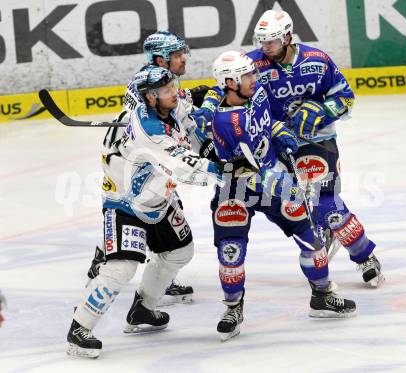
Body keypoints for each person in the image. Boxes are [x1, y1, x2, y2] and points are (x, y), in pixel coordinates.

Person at [66, 66, 251, 358]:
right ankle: (79, 330)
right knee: (121, 268)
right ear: (151, 98)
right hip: (126, 203)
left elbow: (187, 108)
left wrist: (205, 95)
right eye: (167, 90)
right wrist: (226, 169)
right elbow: (187, 168)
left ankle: (143, 310)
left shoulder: (166, 107)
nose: (175, 92)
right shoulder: (150, 132)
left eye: (174, 86)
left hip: (158, 198)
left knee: (180, 250)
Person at [209, 51, 356, 341]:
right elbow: (249, 168)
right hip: (237, 187)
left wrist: (279, 132)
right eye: (247, 76)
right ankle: (233, 306)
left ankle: (322, 296)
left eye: (253, 73)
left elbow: (266, 121)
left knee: (312, 240)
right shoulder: (226, 122)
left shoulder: (256, 90)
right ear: (230, 82)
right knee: (231, 252)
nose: (255, 79)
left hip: (269, 177)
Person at [248, 9, 385, 287]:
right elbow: (233, 96)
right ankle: (320, 233)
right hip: (273, 145)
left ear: (287, 36)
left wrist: (323, 110)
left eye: (271, 41)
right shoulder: (251, 65)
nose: (265, 47)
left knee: (328, 204)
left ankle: (364, 257)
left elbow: (345, 97)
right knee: (292, 205)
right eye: (261, 41)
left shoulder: (317, 61)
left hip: (315, 140)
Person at [88, 31, 219, 305]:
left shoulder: (163, 80)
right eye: (177, 55)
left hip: (155, 162)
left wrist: (189, 99)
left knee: (159, 213)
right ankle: (103, 261)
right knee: (147, 212)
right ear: (161, 58)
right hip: (139, 166)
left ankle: (143, 272)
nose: (183, 58)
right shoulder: (144, 84)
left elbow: (178, 115)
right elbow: (156, 126)